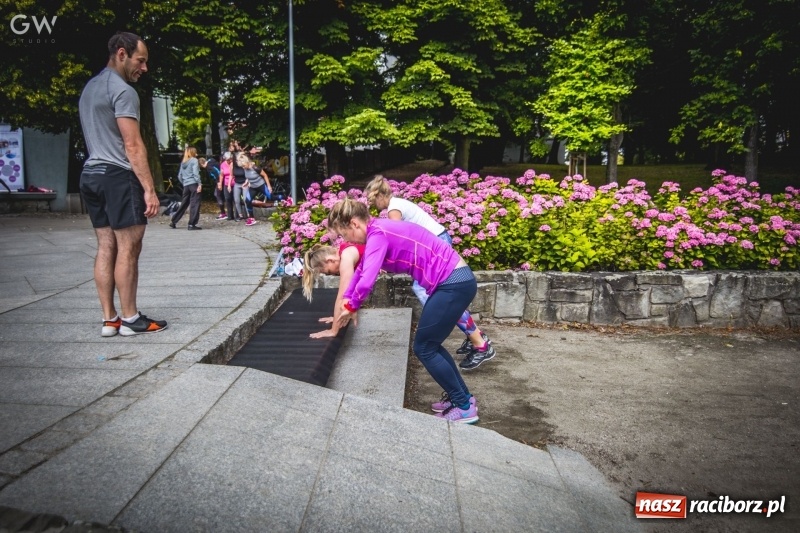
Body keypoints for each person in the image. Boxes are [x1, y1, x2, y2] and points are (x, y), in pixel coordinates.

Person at [328, 199, 479, 424]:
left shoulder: (378, 234)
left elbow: (368, 279)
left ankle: (465, 407)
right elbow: (361, 272)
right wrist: (348, 300)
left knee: (424, 347)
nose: (347, 241)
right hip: (454, 282)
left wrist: (351, 305)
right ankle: (462, 398)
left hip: (453, 284)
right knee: (430, 345)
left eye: (345, 234)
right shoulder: (378, 231)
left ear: (354, 224)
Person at [78, 31, 167, 337]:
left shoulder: (90, 88)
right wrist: (149, 189)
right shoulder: (123, 91)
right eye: (140, 61)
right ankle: (131, 319)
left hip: (90, 174)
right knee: (128, 248)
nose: (144, 68)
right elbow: (132, 145)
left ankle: (110, 319)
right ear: (121, 53)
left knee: (105, 246)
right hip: (117, 175)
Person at [363, 175, 496, 370]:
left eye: (374, 200)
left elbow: (398, 236)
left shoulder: (394, 209)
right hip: (437, 242)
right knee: (441, 298)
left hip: (435, 246)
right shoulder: (398, 203)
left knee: (434, 296)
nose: (374, 205)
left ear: (381, 195)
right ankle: (474, 336)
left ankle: (480, 343)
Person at [302, 242, 364, 339]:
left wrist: (333, 330)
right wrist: (337, 318)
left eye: (329, 272)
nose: (333, 274)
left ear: (330, 260)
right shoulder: (344, 249)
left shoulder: (346, 258)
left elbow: (343, 296)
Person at [169, 146, 203, 230]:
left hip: (186, 186)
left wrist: (184, 183)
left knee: (184, 204)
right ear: (193, 152)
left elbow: (179, 175)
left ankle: (173, 221)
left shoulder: (183, 162)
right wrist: (199, 184)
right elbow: (195, 173)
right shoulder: (194, 160)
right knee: (195, 204)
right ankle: (192, 224)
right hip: (194, 184)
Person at [237, 153, 272, 226]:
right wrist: (246, 182)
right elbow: (248, 177)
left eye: (243, 166)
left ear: (246, 162)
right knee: (247, 200)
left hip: (261, 185)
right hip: (253, 187)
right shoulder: (245, 168)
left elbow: (265, 175)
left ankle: (285, 198)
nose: (243, 168)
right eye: (242, 167)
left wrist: (269, 186)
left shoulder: (255, 167)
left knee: (271, 197)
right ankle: (251, 218)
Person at [231, 151, 248, 222]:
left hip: (245, 183)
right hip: (237, 183)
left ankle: (248, 214)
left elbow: (248, 174)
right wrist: (229, 185)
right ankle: (240, 215)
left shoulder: (243, 164)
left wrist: (247, 182)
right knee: (236, 200)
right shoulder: (233, 165)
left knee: (245, 199)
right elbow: (231, 175)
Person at [219, 151, 235, 221]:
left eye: (231, 159)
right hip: (226, 183)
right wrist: (220, 183)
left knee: (235, 199)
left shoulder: (234, 164)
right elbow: (222, 175)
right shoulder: (222, 165)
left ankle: (237, 215)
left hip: (234, 183)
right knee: (228, 199)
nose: (229, 161)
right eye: (228, 160)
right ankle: (230, 215)